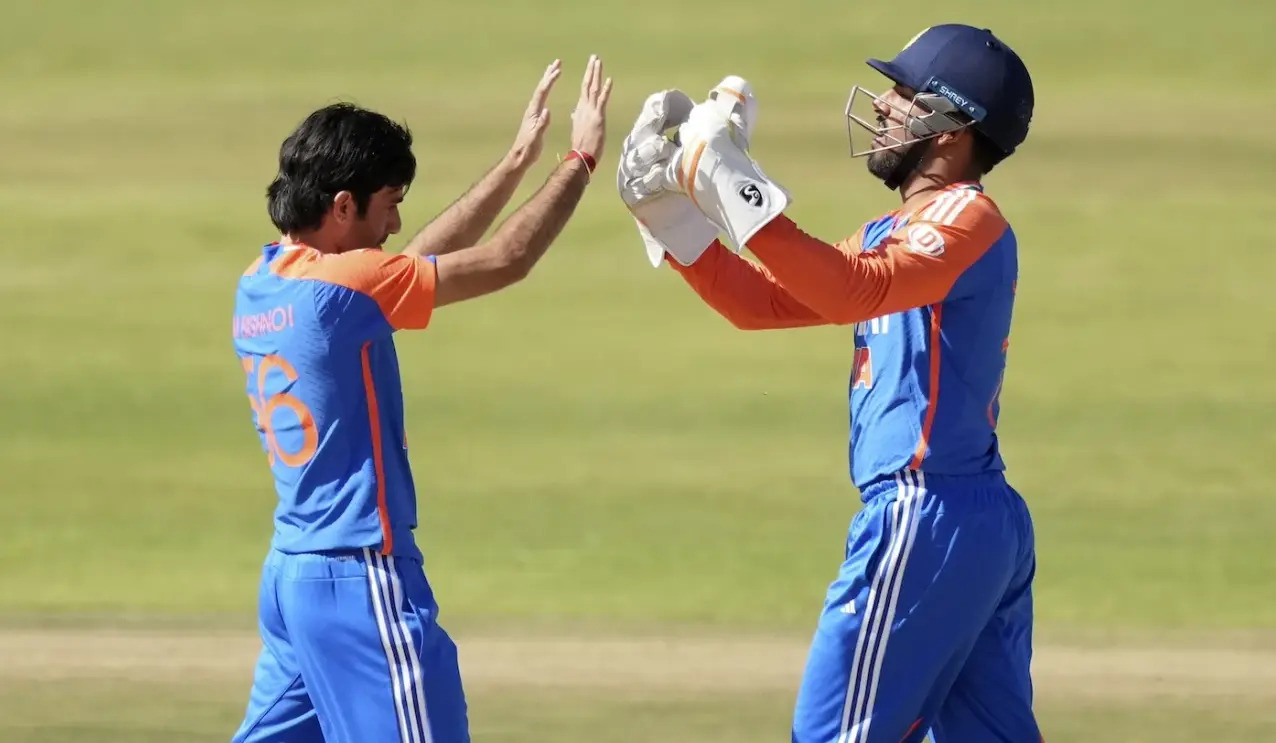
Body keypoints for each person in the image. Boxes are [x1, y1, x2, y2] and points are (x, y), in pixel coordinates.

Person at [617, 25, 1041, 743]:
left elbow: (850, 291)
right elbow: (764, 304)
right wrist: (675, 218)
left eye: (904, 94)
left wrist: (729, 179)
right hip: (962, 520)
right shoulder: (887, 233)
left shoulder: (967, 216)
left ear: (953, 126)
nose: (881, 105)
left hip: (927, 510)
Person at [228, 55, 612, 743]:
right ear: (342, 205)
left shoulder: (262, 283)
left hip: (292, 580)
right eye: (389, 206)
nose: (397, 226)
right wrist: (580, 158)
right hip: (359, 581)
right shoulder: (341, 292)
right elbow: (505, 261)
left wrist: (517, 162)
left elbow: (403, 267)